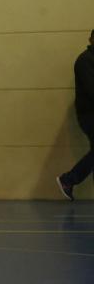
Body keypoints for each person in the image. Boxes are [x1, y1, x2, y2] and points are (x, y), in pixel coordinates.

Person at [57, 30, 94, 200]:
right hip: (89, 115)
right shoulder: (84, 61)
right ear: (91, 39)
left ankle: (69, 180)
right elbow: (91, 90)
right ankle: (68, 179)